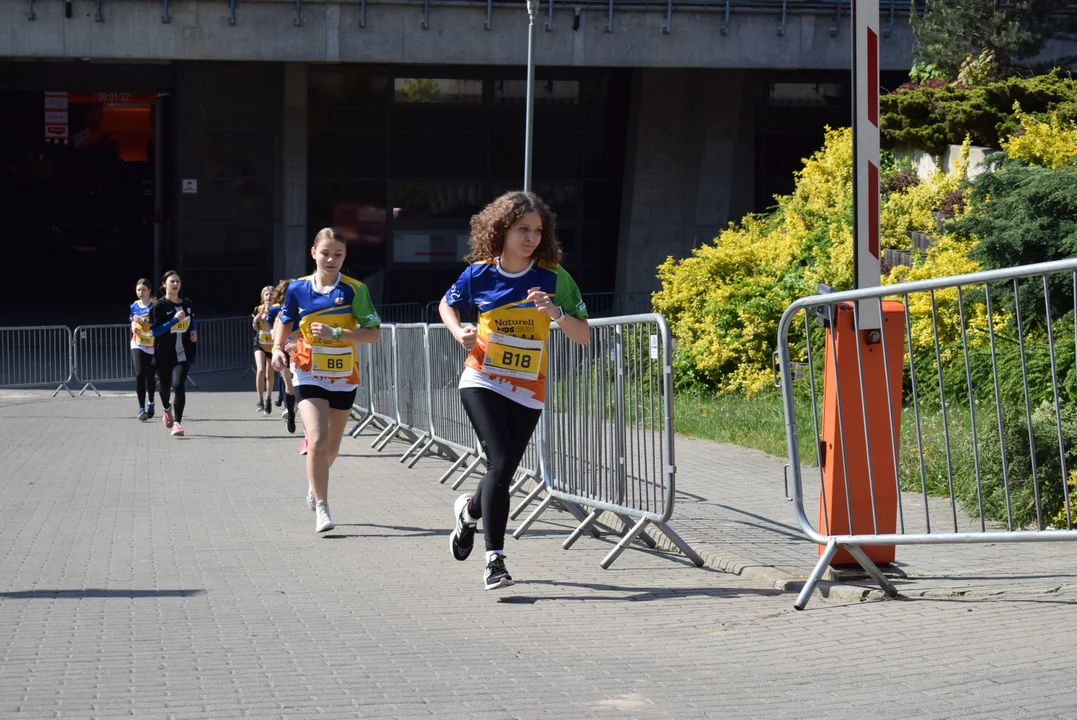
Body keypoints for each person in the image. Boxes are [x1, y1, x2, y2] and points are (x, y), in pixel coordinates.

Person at [440, 191, 589, 591]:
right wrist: (460, 332)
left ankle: (469, 513)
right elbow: (447, 304)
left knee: (502, 472)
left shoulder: (554, 277)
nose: (531, 238)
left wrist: (555, 313)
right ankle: (495, 561)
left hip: (528, 387)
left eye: (538, 230)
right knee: (501, 462)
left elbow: (584, 335)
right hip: (482, 378)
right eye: (523, 229)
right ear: (501, 229)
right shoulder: (480, 274)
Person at [272, 228, 381, 533]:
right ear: (313, 253)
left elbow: (372, 334)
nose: (331, 259)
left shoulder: (355, 290)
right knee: (317, 440)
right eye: (326, 253)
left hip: (344, 373)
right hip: (308, 369)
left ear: (345, 256)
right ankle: (323, 506)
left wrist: (336, 334)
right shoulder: (297, 288)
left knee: (332, 447)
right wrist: (278, 349)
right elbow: (284, 320)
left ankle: (314, 483)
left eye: (338, 254)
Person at [150, 270, 197, 437]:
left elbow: (192, 319)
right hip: (163, 353)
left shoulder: (187, 303)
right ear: (164, 285)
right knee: (164, 387)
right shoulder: (158, 307)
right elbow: (155, 332)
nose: (175, 284)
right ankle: (166, 409)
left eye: (178, 281)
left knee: (178, 385)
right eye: (172, 281)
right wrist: (174, 320)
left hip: (182, 353)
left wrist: (193, 330)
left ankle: (177, 423)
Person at [267, 278, 299, 436]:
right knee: (289, 386)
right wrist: (275, 339)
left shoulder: (304, 307)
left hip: (302, 349)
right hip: (284, 349)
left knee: (302, 384)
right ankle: (291, 414)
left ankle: (299, 410)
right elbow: (272, 323)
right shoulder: (277, 309)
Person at [129, 278, 157, 422]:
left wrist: (142, 320)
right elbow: (132, 319)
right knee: (140, 373)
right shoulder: (134, 305)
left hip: (152, 345)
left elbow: (156, 323)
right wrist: (133, 326)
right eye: (138, 290)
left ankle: (151, 402)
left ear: (149, 291)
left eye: (143, 290)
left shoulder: (155, 305)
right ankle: (141, 408)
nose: (140, 292)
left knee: (150, 377)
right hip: (138, 343)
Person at [252, 285, 276, 416]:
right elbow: (255, 327)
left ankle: (268, 398)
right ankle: (259, 399)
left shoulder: (278, 310)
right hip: (260, 343)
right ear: (263, 297)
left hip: (272, 346)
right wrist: (256, 321)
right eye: (266, 294)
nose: (269, 296)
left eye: (271, 294)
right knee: (260, 369)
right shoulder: (258, 309)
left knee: (269, 374)